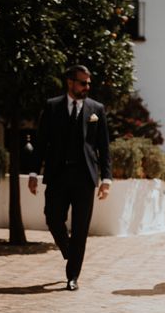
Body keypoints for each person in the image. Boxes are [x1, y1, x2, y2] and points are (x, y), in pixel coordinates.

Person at [28, 65, 112, 291]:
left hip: (85, 177)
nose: (87, 87)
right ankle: (68, 249)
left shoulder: (97, 109)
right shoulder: (52, 106)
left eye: (88, 83)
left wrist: (106, 179)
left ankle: (73, 275)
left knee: (81, 228)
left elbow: (104, 147)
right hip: (57, 175)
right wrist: (34, 172)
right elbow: (41, 142)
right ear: (70, 82)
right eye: (82, 83)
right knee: (52, 218)